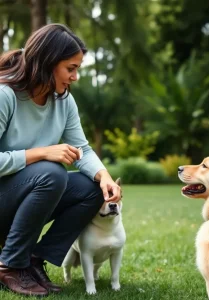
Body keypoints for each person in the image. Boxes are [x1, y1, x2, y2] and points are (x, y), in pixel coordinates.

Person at [0, 23, 121, 297]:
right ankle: (9, 265)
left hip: (25, 196)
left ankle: (32, 261)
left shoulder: (63, 101)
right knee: (51, 171)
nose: (75, 77)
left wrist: (105, 177)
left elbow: (83, 150)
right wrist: (41, 153)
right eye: (71, 68)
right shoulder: (5, 95)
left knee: (91, 188)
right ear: (47, 63)